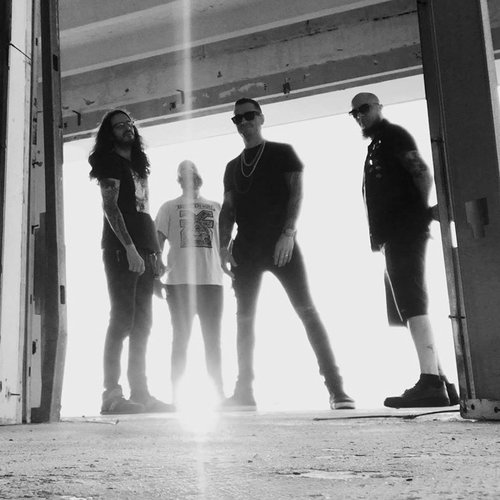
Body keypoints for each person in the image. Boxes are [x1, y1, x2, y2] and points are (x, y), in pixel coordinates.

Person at [219, 97, 355, 411]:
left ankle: (337, 389)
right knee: (244, 319)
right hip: (245, 248)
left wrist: (288, 233)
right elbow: (228, 209)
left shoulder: (282, 152)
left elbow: (296, 193)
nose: (244, 122)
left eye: (249, 116)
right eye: (237, 118)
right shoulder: (232, 167)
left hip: (281, 244)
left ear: (261, 118)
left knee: (306, 311)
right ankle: (243, 393)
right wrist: (223, 247)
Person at [349, 92, 459, 408]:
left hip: (404, 231)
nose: (360, 115)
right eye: (354, 113)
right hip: (393, 234)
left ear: (379, 108)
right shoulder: (377, 144)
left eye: (364, 108)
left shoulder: (393, 135)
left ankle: (430, 382)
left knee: (411, 302)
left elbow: (421, 172)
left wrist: (417, 212)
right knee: (407, 304)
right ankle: (441, 382)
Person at [89, 109, 173, 414]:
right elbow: (110, 208)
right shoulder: (109, 161)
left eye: (130, 123)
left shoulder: (137, 164)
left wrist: (154, 254)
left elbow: (143, 211)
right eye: (120, 125)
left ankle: (141, 394)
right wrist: (130, 248)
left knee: (143, 324)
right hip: (121, 251)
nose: (128, 128)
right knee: (122, 320)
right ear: (109, 133)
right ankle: (111, 395)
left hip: (145, 251)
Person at [155, 160, 225, 406]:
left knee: (213, 341)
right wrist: (155, 277)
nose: (188, 175)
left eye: (192, 171)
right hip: (179, 283)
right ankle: (177, 399)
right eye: (182, 172)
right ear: (178, 179)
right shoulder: (168, 207)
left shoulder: (216, 206)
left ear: (199, 176)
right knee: (180, 340)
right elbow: (157, 244)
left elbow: (226, 243)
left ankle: (219, 396)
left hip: (211, 281)